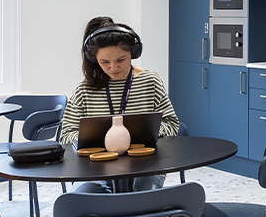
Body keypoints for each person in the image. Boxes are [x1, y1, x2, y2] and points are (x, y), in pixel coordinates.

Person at [60, 17, 181, 192]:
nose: (113, 67)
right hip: (96, 168)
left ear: (133, 53)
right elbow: (66, 135)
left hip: (145, 165)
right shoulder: (84, 89)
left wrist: (137, 136)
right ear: (95, 59)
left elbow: (171, 124)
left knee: (143, 198)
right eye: (105, 62)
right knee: (82, 202)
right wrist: (106, 141)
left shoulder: (150, 81)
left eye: (121, 60)